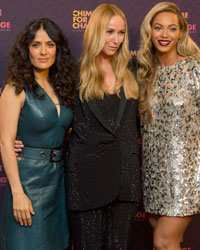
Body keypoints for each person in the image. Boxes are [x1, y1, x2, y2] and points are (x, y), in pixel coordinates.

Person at [65, 3, 141, 250]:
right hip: (86, 180)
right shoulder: (74, 74)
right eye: (109, 32)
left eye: (121, 33)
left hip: (125, 181)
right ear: (96, 31)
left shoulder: (134, 71)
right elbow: (54, 119)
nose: (116, 39)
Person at [0, 18, 77, 250]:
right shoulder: (16, 88)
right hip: (27, 182)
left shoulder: (64, 87)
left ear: (58, 49)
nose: (43, 51)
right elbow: (5, 142)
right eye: (36, 44)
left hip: (58, 182)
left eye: (50, 44)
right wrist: (18, 194)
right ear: (26, 50)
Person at [137, 2, 200, 250]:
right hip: (153, 171)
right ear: (149, 31)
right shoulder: (144, 73)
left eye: (171, 28)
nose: (164, 35)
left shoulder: (195, 68)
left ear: (181, 32)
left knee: (163, 241)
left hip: (185, 172)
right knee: (164, 243)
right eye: (158, 28)